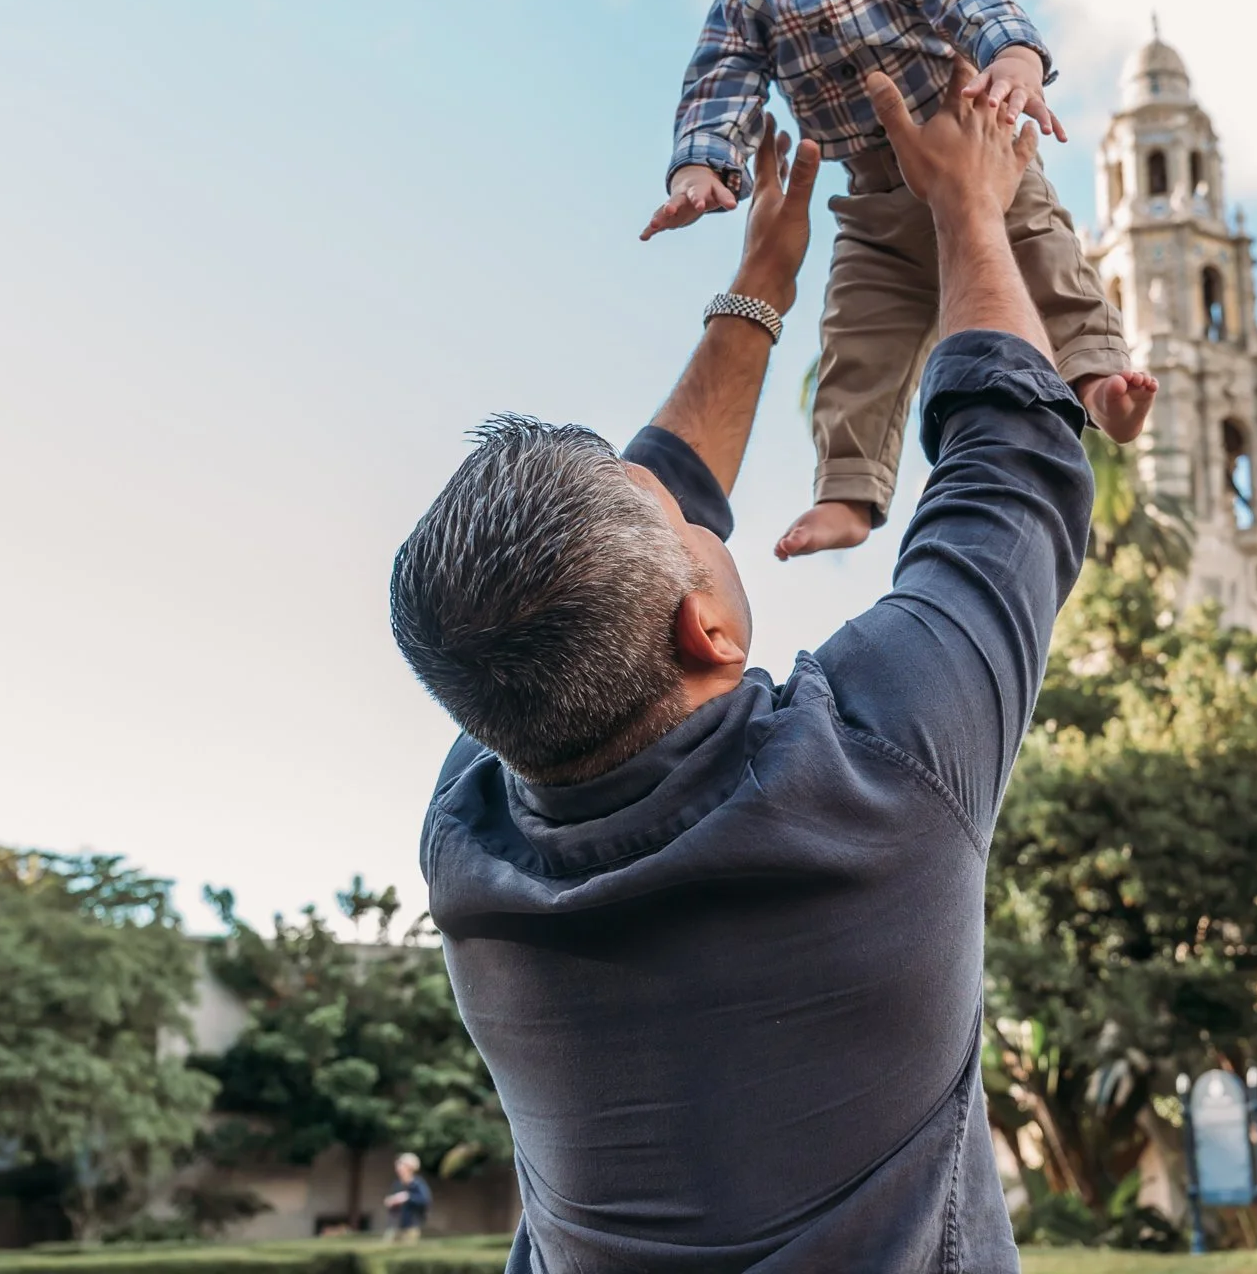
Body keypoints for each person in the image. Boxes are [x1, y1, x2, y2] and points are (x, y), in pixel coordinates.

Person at [392, 66, 1095, 1272]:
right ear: (708, 630)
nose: (688, 500)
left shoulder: (476, 834)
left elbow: (607, 563)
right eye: (676, 521)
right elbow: (1013, 462)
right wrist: (972, 211)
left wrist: (761, 284)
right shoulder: (876, 769)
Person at [641, 0, 1156, 557]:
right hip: (873, 205)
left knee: (1049, 267)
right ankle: (849, 493)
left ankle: (1098, 381)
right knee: (856, 342)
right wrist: (704, 165)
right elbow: (720, 82)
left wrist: (1014, 58)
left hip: (974, 154)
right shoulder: (745, 1)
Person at [383, 1153, 431, 1240]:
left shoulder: (417, 1184)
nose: (398, 1168)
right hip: (395, 1225)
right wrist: (391, 1201)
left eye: (401, 1165)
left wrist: (408, 1197)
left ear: (410, 1167)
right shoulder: (397, 1185)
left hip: (411, 1226)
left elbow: (425, 1200)